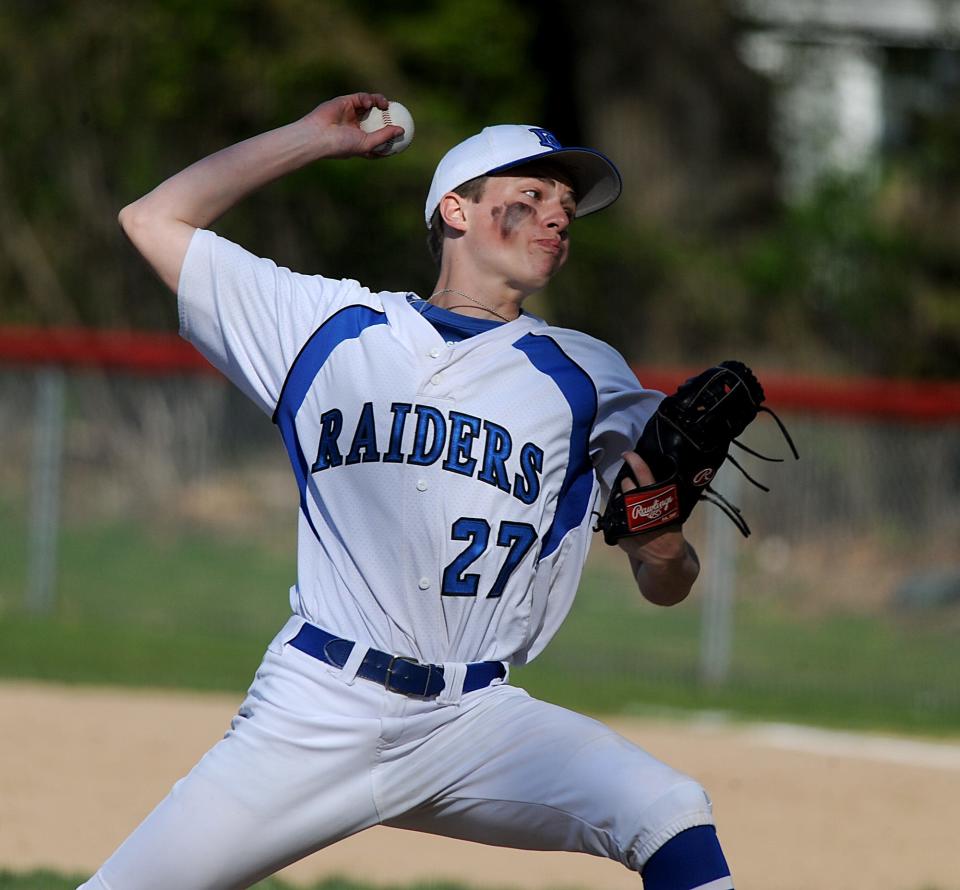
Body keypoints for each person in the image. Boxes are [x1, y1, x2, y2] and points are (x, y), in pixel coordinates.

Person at [83, 92, 733, 890]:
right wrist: (307, 140)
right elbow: (152, 220)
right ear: (454, 211)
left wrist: (662, 544)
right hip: (319, 707)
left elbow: (665, 581)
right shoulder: (328, 325)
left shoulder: (590, 377)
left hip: (473, 718)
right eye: (527, 198)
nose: (556, 218)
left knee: (671, 812)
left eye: (567, 209)